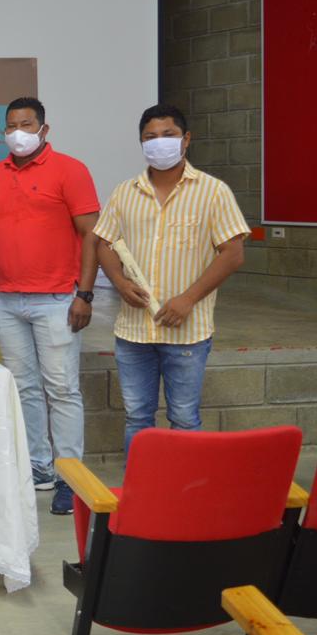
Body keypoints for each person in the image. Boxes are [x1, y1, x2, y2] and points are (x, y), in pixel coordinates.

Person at [94, 103, 248, 458]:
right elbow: (102, 243)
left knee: (184, 418)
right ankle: (142, 492)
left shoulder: (213, 192)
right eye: (151, 137)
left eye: (168, 135)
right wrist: (118, 281)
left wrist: (188, 299)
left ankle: (184, 493)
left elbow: (233, 253)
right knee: (137, 418)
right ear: (141, 143)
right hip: (133, 332)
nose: (159, 143)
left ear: (186, 139)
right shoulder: (124, 193)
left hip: (188, 332)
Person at [0, 97, 99, 515]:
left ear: (44, 129)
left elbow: (91, 235)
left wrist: (84, 293)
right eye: (11, 126)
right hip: (8, 300)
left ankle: (70, 478)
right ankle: (38, 468)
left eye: (26, 124)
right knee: (25, 388)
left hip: (58, 299)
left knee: (62, 389)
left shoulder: (71, 170)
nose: (18, 133)